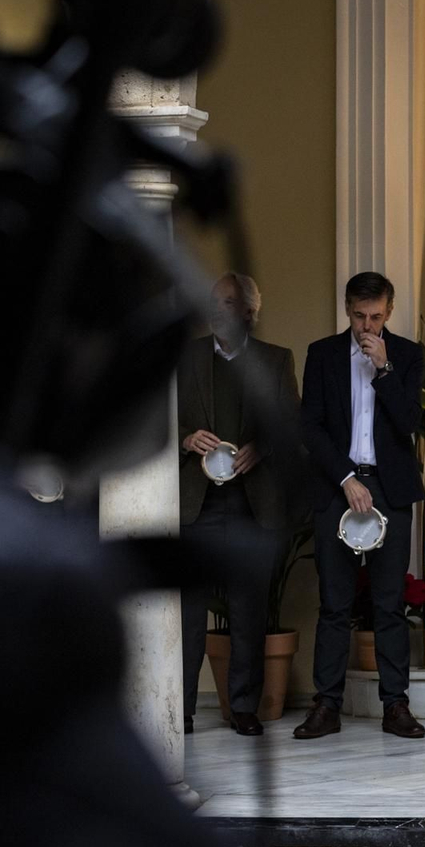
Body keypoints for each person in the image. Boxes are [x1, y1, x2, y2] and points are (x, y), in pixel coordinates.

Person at [294, 271, 425, 741]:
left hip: (390, 490)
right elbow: (311, 428)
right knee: (333, 605)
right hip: (338, 488)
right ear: (346, 309)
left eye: (375, 316)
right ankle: (326, 706)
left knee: (390, 605)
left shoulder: (408, 355)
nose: (366, 326)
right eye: (358, 316)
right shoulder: (322, 354)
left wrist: (385, 368)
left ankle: (396, 706)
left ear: (389, 311)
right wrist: (347, 478)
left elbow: (410, 422)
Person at [178, 272, 300, 737]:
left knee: (249, 611)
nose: (215, 311)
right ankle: (181, 710)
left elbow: (291, 426)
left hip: (253, 504)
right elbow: (156, 418)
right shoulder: (184, 356)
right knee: (187, 614)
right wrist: (186, 438)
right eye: (212, 302)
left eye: (226, 303)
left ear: (250, 312)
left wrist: (261, 448)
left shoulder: (275, 360)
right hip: (196, 503)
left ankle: (243, 707)